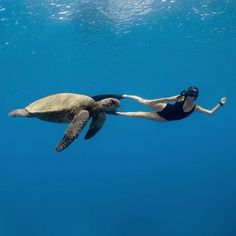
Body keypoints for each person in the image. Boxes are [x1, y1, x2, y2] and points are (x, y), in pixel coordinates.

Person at [114, 86, 227, 122]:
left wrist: (220, 104)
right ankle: (124, 96)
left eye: (193, 95)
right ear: (187, 94)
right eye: (189, 94)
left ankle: (115, 113)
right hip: (165, 107)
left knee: (139, 114)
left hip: (165, 118)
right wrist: (152, 102)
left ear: (195, 97)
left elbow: (210, 112)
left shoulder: (196, 108)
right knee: (144, 101)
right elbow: (167, 98)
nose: (190, 97)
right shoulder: (180, 97)